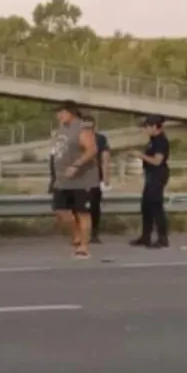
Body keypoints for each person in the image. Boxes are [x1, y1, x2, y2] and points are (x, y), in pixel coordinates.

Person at [50, 100, 100, 258]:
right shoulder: (61, 129)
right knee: (61, 211)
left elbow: (92, 150)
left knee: (82, 212)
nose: (59, 116)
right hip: (62, 179)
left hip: (82, 179)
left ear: (71, 112)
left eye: (62, 112)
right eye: (58, 113)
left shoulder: (82, 128)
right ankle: (77, 233)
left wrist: (76, 165)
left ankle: (84, 246)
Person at [130, 114, 170, 248]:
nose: (145, 129)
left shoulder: (160, 141)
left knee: (156, 206)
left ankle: (162, 238)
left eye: (147, 127)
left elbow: (157, 161)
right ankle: (145, 236)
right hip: (151, 175)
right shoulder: (152, 139)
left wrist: (140, 155)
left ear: (155, 127)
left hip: (158, 175)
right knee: (146, 206)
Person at [79, 113, 112, 244]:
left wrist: (105, 177)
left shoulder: (100, 139)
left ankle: (93, 233)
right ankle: (86, 233)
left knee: (93, 207)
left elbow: (105, 159)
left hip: (93, 177)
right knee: (81, 206)